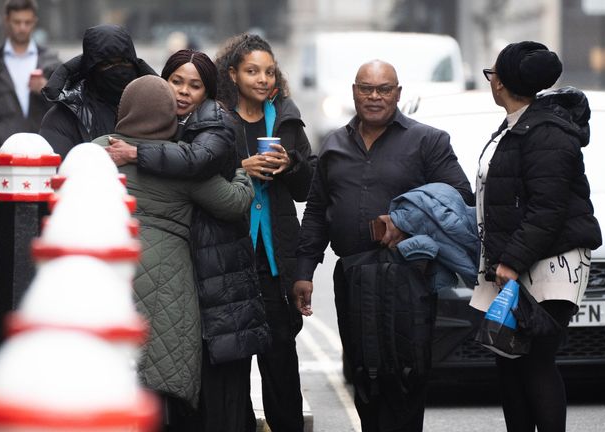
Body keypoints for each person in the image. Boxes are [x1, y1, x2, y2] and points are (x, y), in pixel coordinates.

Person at [293, 60, 473, 431]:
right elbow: (315, 212)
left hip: (408, 275)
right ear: (354, 91)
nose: (374, 97)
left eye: (384, 89)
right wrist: (304, 272)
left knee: (406, 374)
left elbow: (458, 199)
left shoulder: (428, 141)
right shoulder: (334, 145)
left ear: (398, 94)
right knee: (364, 376)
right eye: (366, 88)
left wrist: (406, 221)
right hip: (354, 277)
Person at [104, 49, 270, 432]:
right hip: (176, 278)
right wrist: (242, 172)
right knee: (167, 374)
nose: (183, 92)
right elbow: (231, 201)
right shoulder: (184, 160)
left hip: (114, 270)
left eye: (194, 85)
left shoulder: (99, 149)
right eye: (175, 82)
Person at [474, 41, 602, 432]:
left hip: (547, 267)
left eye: (491, 73)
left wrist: (511, 261)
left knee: (535, 364)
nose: (490, 80)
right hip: (513, 263)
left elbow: (548, 209)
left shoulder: (546, 132)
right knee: (510, 365)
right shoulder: (518, 125)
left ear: (502, 83)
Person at [212, 33, 315, 432]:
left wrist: (290, 165)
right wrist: (242, 166)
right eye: (252, 70)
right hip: (230, 258)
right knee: (232, 368)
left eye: (269, 71)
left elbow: (307, 188)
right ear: (233, 74)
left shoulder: (286, 117)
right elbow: (201, 174)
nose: (262, 78)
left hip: (275, 263)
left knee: (281, 365)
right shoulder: (216, 116)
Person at [0, 0, 60, 196]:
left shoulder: (51, 61)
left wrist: (46, 89)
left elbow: (66, 106)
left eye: (27, 22)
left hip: (41, 155)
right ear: (7, 20)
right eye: (17, 22)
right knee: (4, 223)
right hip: (2, 157)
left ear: (35, 22)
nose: (22, 28)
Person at [39, 24, 156, 159]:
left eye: (124, 61)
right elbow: (57, 171)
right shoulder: (65, 116)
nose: (118, 70)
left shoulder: (154, 109)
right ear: (91, 70)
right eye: (107, 64)